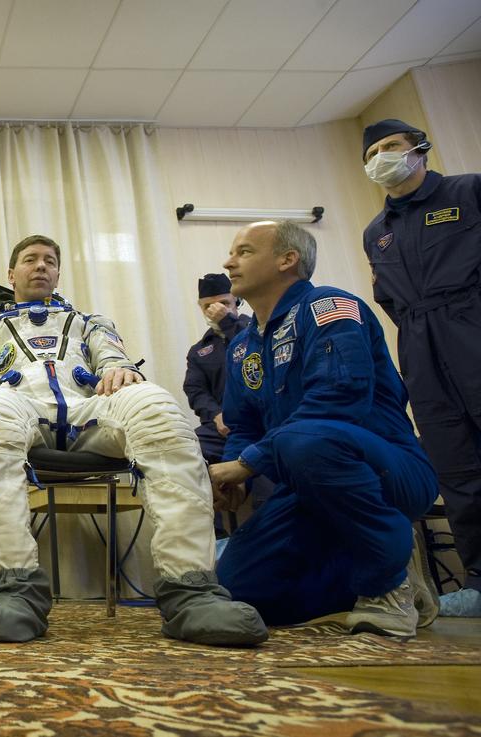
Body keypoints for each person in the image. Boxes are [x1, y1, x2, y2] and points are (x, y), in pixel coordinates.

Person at [0, 234, 267, 646]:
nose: (41, 266)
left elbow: (114, 360)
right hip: (19, 413)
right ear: (11, 273)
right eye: (31, 259)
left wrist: (122, 374)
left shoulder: (89, 323)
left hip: (87, 415)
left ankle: (191, 590)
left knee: (154, 404)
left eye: (50, 261)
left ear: (58, 273)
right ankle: (17, 587)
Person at [212, 220, 438, 637]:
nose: (229, 262)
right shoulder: (242, 346)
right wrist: (235, 479)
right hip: (308, 484)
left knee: (306, 438)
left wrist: (246, 465)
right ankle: (375, 569)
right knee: (237, 587)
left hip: (389, 471)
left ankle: (388, 583)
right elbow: (243, 425)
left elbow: (338, 400)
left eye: (244, 251)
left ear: (287, 259)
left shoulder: (328, 306)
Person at [361, 119, 481, 617]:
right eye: (373, 153)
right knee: (455, 466)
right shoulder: (377, 232)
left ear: (420, 149)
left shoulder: (467, 190)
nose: (383, 157)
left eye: (392, 147)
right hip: (419, 343)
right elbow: (388, 299)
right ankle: (478, 580)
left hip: (472, 324)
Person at [184, 273, 254, 537]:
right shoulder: (200, 350)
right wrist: (215, 415)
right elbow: (195, 389)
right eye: (208, 306)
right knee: (187, 451)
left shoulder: (258, 331)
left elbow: (255, 353)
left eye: (224, 303)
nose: (216, 310)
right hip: (220, 429)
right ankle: (214, 537)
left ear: (237, 301)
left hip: (262, 424)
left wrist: (228, 322)